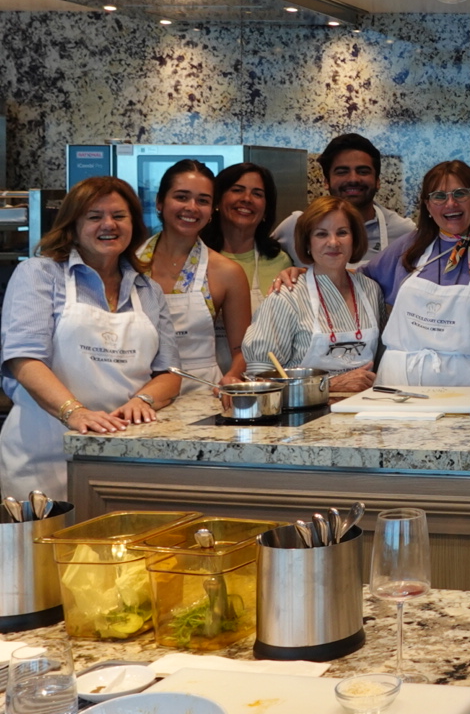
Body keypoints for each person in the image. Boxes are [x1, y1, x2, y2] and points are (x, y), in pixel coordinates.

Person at [0, 177, 181, 499]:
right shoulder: (40, 274)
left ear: (134, 225)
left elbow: (169, 372)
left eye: (119, 216)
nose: (108, 225)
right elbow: (23, 359)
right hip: (44, 451)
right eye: (94, 216)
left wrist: (143, 400)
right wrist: (75, 411)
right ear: (73, 225)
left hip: (123, 452)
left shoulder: (147, 289)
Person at [367, 161, 470, 387]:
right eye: (439, 196)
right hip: (399, 388)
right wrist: (302, 273)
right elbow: (354, 282)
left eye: (461, 193)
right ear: (428, 206)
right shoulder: (408, 247)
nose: (451, 203)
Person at [241, 196, 383, 392]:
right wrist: (329, 386)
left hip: (363, 412)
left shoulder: (371, 290)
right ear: (307, 242)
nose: (333, 243)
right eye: (321, 234)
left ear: (355, 239)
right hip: (303, 417)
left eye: (342, 233)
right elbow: (258, 381)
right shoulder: (286, 295)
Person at [135, 160, 252, 389]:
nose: (192, 207)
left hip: (199, 391)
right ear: (160, 202)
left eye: (203, 200)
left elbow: (242, 351)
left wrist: (232, 378)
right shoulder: (130, 264)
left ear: (212, 210)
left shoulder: (228, 273)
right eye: (181, 197)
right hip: (137, 390)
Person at [272, 134, 415, 266]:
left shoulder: (405, 232)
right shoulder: (295, 226)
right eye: (342, 172)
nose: (353, 179)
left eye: (363, 171)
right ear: (326, 181)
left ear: (377, 181)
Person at [201, 162, 292, 310]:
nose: (247, 199)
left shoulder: (280, 262)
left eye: (257, 194)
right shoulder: (197, 257)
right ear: (217, 200)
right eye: (237, 190)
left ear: (266, 209)